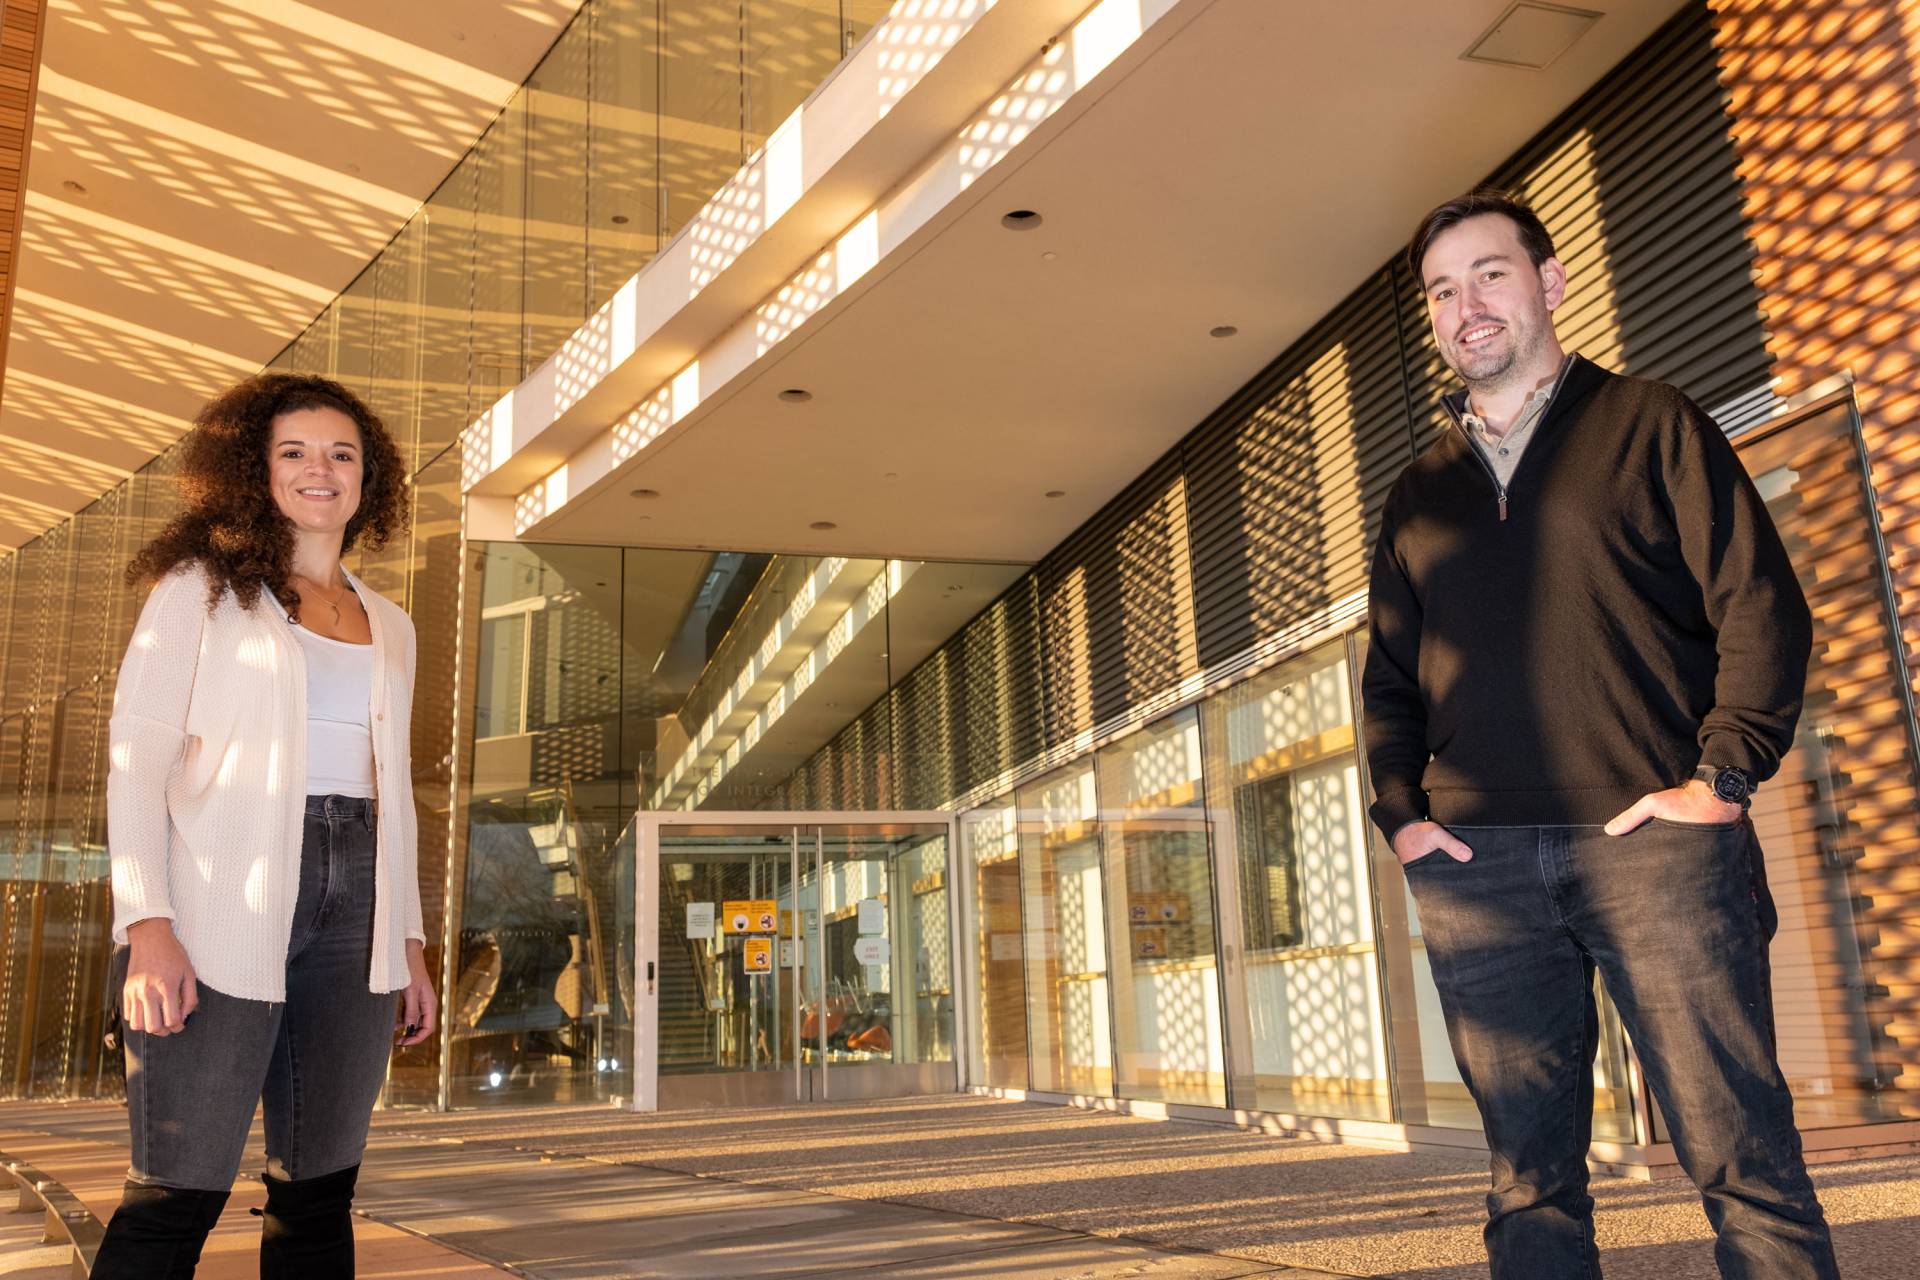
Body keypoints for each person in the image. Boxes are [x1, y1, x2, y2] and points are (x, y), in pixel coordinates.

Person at [1362, 189, 1839, 1278]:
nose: (1466, 305)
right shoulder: (1419, 489)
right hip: (1478, 871)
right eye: (1443, 289)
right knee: (1528, 1185)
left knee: (1742, 1161)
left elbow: (1760, 604)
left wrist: (1721, 776)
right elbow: (1390, 677)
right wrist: (1405, 819)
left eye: (1489, 273)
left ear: (1549, 283)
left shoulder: (1651, 424)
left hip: (1656, 848)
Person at [92, 373, 439, 1278]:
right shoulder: (199, 591)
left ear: (370, 478)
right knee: (177, 1191)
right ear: (256, 467)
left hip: (358, 910)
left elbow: (392, 792)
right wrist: (148, 924)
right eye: (294, 451)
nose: (319, 470)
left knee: (318, 1195)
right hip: (217, 910)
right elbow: (137, 764)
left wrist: (408, 941)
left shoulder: (391, 624)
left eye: (341, 454)